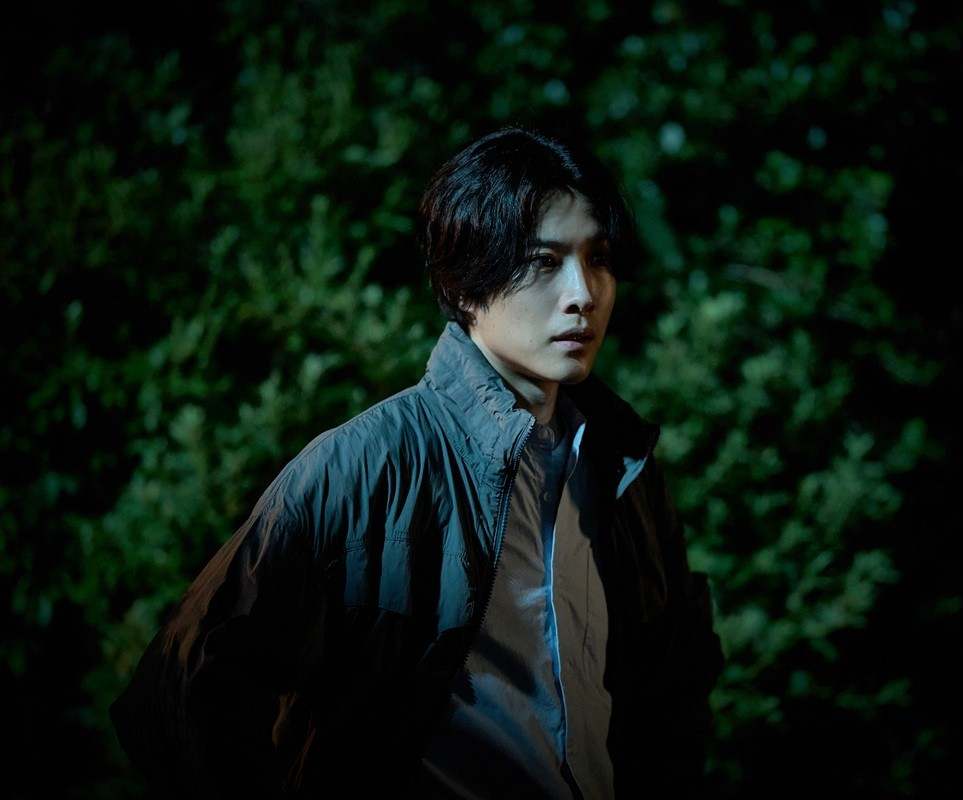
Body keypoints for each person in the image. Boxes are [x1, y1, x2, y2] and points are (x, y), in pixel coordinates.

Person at [109, 126, 725, 799]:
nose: (583, 293)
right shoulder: (366, 464)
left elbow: (676, 684)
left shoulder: (623, 466)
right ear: (466, 284)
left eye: (598, 258)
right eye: (544, 262)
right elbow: (178, 692)